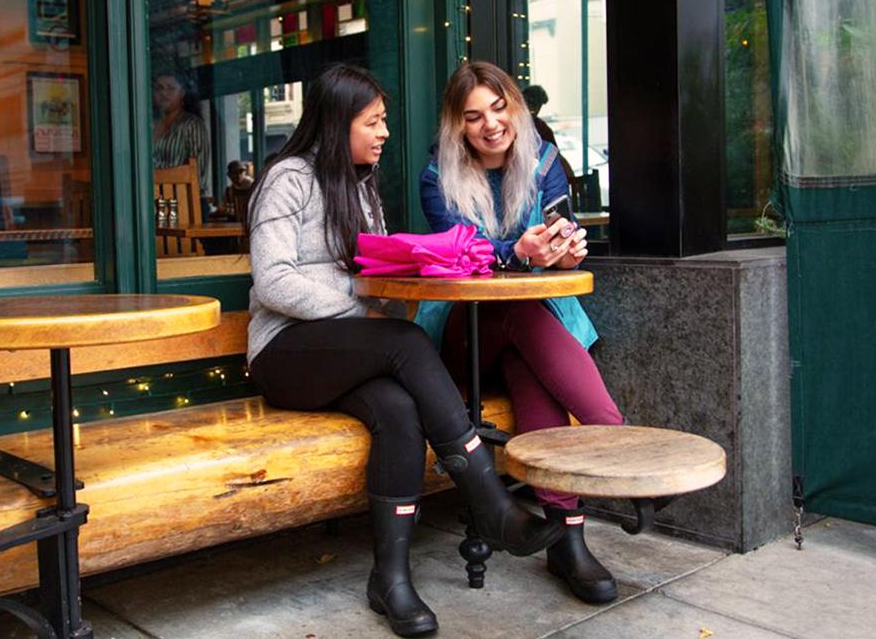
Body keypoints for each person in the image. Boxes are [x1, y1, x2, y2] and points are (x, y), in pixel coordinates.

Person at [247, 63, 564, 637]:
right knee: (406, 341)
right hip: (286, 352)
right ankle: (488, 499)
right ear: (338, 122)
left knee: (398, 410)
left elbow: (377, 281)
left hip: (346, 350)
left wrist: (396, 292)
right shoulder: (287, 178)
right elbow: (273, 282)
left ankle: (389, 580)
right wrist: (364, 312)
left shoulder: (364, 189)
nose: (385, 132)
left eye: (384, 121)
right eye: (373, 122)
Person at [418, 61, 624, 605]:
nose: (490, 124)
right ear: (457, 126)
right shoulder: (437, 178)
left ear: (515, 105)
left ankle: (567, 540)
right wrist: (517, 254)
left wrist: (564, 253)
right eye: (473, 116)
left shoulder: (546, 163)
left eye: (498, 106)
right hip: (464, 341)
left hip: (527, 338)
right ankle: (616, 437)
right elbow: (461, 261)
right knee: (513, 310)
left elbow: (562, 232)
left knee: (529, 368)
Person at [152, 70, 210, 197]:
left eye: (171, 88)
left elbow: (197, 174)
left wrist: (155, 174)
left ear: (182, 93)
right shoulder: (147, 126)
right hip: (152, 200)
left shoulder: (192, 124)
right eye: (159, 88)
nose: (163, 93)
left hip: (185, 202)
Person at [521, 84, 558, 148]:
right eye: (529, 103)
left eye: (539, 105)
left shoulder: (542, 127)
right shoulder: (513, 124)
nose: (536, 109)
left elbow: (553, 152)